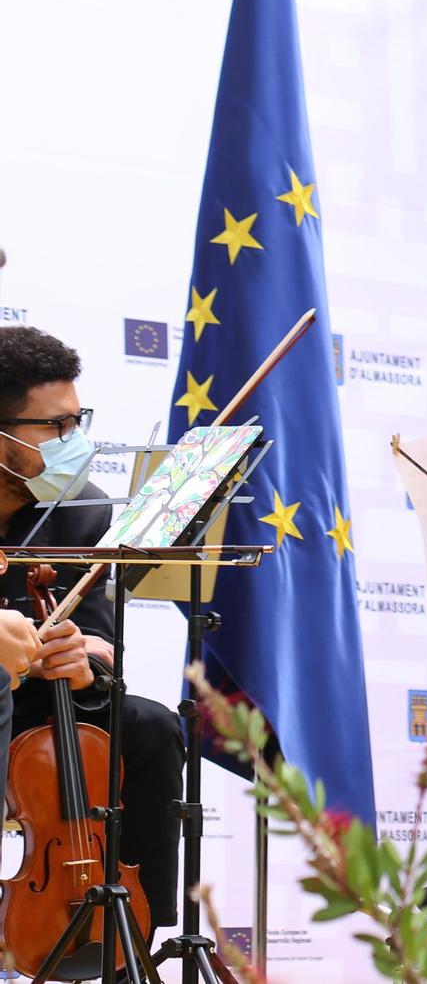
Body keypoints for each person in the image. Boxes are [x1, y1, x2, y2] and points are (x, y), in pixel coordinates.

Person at [0, 326, 186, 933]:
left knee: (151, 725)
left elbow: (102, 643)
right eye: (53, 427)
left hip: (39, 703)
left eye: (77, 422)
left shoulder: (84, 510)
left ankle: (140, 925)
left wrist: (84, 665)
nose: (72, 442)